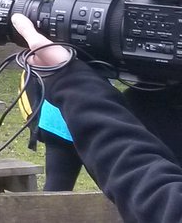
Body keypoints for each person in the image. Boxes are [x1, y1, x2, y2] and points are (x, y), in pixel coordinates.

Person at [11, 12, 182, 222]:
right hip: (64, 123)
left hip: (77, 118)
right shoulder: (142, 100)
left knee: (56, 188)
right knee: (56, 188)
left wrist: (70, 82)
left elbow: (162, 206)